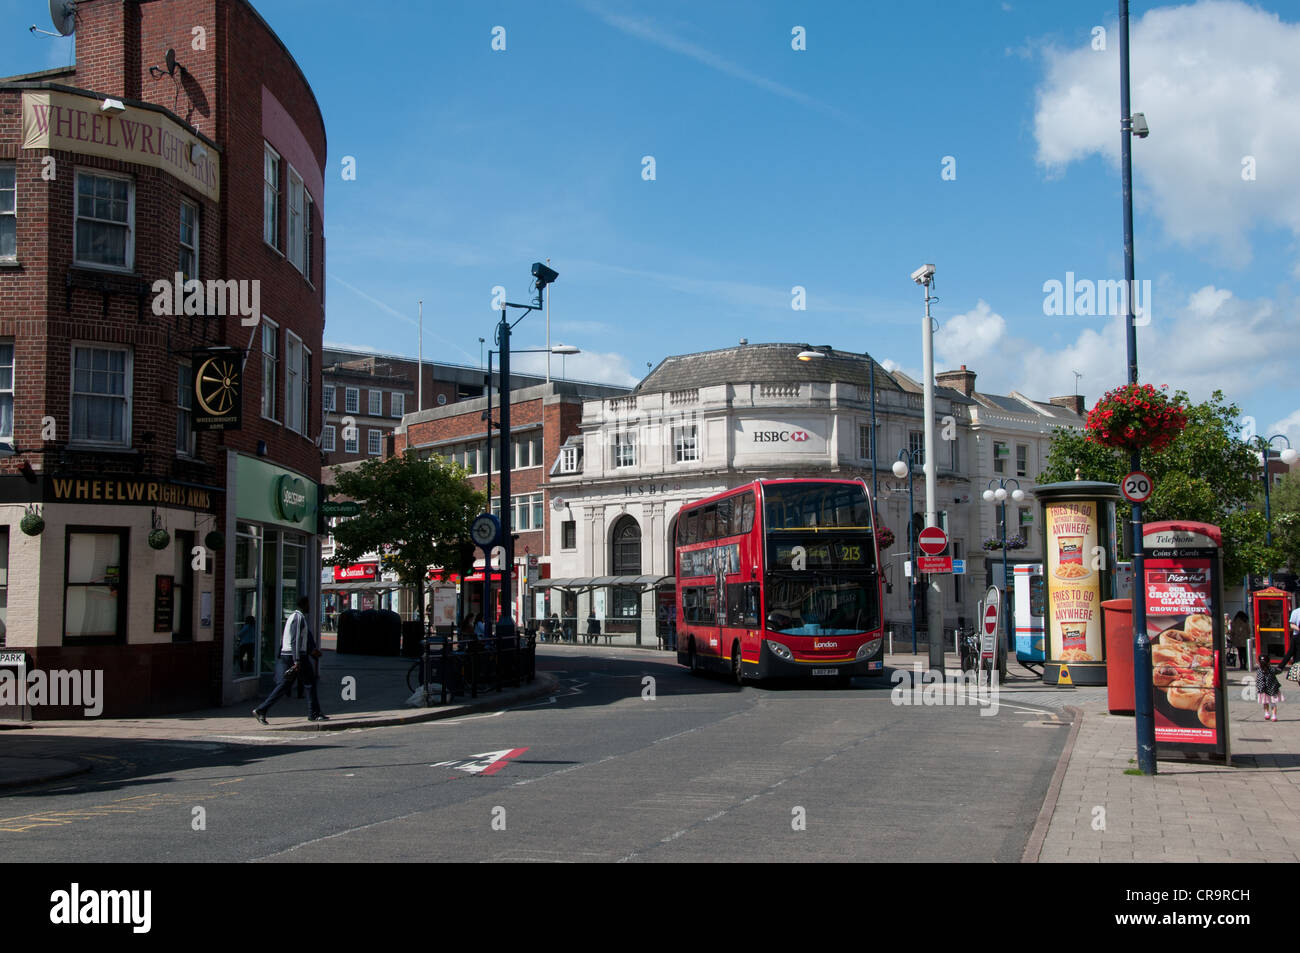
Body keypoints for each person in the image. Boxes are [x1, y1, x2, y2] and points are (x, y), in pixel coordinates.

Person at [253, 597, 326, 724]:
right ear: (304, 605)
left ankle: (262, 710)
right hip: (296, 656)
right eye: (308, 604)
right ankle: (313, 713)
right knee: (309, 683)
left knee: (285, 685)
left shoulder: (293, 617)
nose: (310, 607)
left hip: (289, 655)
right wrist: (296, 660)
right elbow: (295, 639)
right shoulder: (298, 618)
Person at [1256, 656, 1284, 722]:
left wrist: (1260, 689)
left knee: (1265, 702)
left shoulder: (1259, 671)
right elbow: (1279, 671)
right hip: (1272, 689)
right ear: (1269, 662)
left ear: (1259, 663)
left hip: (1263, 690)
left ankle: (1267, 714)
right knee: (1273, 703)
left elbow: (1259, 681)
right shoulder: (1272, 669)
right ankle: (1274, 716)